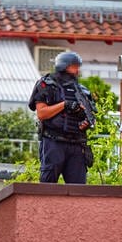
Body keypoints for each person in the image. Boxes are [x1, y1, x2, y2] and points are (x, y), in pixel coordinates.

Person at [28, 51, 95, 184]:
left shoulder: (82, 91)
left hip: (77, 144)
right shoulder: (47, 85)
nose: (77, 70)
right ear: (64, 66)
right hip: (54, 142)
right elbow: (42, 113)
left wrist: (85, 123)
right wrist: (64, 105)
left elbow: (90, 119)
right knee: (48, 186)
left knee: (78, 190)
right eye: (74, 66)